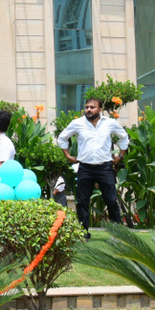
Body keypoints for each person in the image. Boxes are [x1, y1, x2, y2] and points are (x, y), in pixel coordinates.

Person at [57, 98, 129, 238]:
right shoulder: (77, 123)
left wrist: (121, 156)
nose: (88, 109)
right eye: (87, 107)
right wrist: (68, 156)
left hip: (105, 167)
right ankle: (83, 233)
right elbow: (62, 138)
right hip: (85, 168)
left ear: (100, 110)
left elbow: (124, 137)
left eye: (92, 107)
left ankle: (118, 234)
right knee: (83, 201)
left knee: (111, 200)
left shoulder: (110, 123)